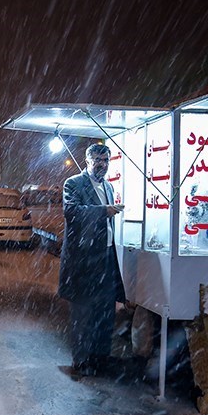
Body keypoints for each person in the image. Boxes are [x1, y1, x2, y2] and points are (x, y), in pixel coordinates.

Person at [58, 143, 127, 377]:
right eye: (97, 159)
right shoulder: (73, 183)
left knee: (105, 312)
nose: (102, 164)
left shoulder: (108, 186)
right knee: (83, 314)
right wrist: (103, 211)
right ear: (87, 161)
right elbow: (72, 213)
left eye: (106, 160)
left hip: (106, 257)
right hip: (84, 260)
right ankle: (81, 361)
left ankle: (100, 358)